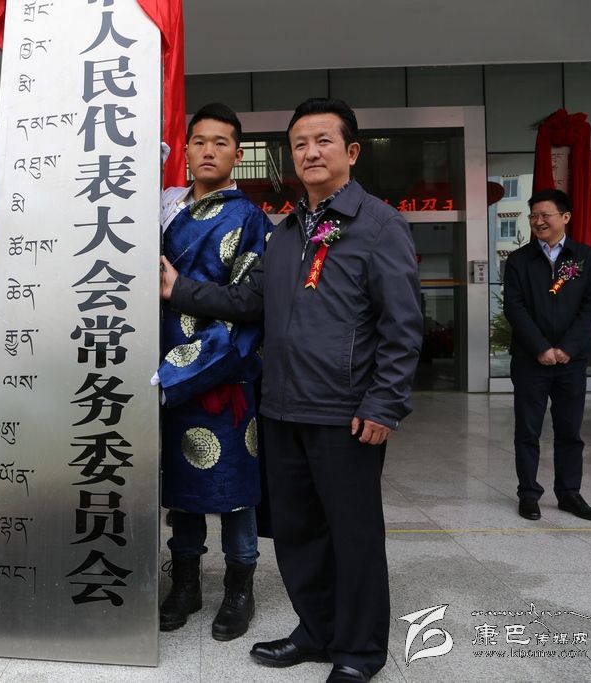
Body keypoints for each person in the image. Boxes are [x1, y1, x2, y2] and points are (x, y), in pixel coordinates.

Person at [161, 98, 422, 683]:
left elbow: (403, 327)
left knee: (353, 537)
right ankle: (316, 631)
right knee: (299, 535)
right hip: (281, 408)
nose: (310, 152)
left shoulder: (379, 225)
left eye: (323, 141)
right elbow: (247, 301)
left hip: (345, 413)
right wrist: (179, 291)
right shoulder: (284, 233)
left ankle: (358, 653)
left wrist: (385, 404)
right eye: (300, 143)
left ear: (352, 151)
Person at [155, 103, 272, 641]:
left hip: (221, 373)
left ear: (237, 154)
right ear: (185, 150)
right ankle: (185, 585)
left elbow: (250, 305)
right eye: (199, 141)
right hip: (160, 371)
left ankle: (239, 589)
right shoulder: (164, 208)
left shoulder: (248, 218)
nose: (208, 151)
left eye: (220, 143)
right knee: (181, 486)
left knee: (233, 489)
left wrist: (178, 293)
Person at [503, 188, 591, 522]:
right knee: (527, 431)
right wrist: (541, 348)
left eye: (545, 215)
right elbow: (514, 307)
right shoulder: (519, 260)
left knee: (570, 431)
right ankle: (528, 494)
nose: (538, 221)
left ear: (565, 217)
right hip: (530, 361)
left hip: (571, 362)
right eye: (533, 216)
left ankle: (569, 493)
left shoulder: (585, 258)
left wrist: (566, 349)